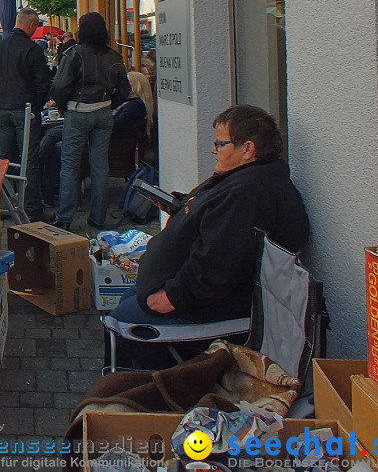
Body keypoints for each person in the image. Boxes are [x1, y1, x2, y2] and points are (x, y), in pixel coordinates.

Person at [111, 105, 310, 369]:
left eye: (220, 143)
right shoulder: (247, 177)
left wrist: (171, 297)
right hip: (188, 291)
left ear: (248, 149)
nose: (213, 149)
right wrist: (179, 206)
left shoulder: (248, 192)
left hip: (211, 303)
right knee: (127, 302)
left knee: (123, 319)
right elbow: (217, 219)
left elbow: (217, 266)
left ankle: (150, 394)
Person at [50, 12, 130, 230]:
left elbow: (58, 87)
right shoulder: (114, 56)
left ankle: (65, 217)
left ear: (82, 30)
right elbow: (125, 88)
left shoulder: (74, 54)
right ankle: (98, 216)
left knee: (70, 165)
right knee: (100, 164)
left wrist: (62, 106)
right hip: (103, 112)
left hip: (78, 111)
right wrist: (111, 103)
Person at [39, 70, 152, 220]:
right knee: (53, 138)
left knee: (54, 141)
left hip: (100, 141)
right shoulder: (130, 104)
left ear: (136, 87)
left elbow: (115, 126)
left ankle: (41, 181)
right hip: (98, 137)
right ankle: (47, 186)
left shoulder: (134, 106)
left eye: (127, 85)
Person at [0, 8, 52, 221]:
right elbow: (43, 83)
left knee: (4, 159)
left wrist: (1, 97)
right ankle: (31, 209)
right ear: (31, 25)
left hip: (3, 109)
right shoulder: (31, 50)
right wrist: (37, 105)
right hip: (26, 110)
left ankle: (6, 205)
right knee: (28, 160)